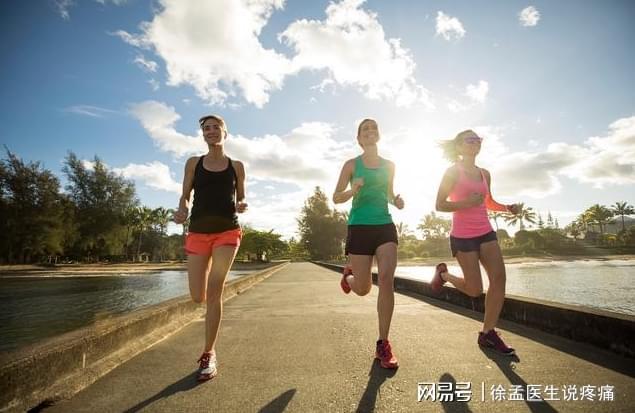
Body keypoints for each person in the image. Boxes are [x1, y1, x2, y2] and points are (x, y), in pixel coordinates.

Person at [431, 129, 520, 355]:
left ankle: (488, 332)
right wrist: (466, 203)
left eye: (478, 140)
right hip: (463, 236)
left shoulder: (484, 174)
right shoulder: (452, 172)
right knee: (474, 290)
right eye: (470, 140)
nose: (475, 143)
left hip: (485, 232)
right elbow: (439, 204)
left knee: (499, 278)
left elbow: (487, 201)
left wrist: (507, 208)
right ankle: (444, 275)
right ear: (459, 146)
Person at [173, 114, 247, 381]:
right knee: (198, 296)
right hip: (198, 232)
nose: (211, 131)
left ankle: (208, 353)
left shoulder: (236, 166)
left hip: (227, 231)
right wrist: (182, 211)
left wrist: (241, 204)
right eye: (207, 128)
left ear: (225, 133)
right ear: (203, 134)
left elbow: (241, 196)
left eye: (216, 127)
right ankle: (206, 297)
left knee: (215, 292)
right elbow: (185, 196)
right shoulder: (194, 163)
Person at [333, 118, 404, 369]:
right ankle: (349, 277)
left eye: (374, 128)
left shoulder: (390, 165)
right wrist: (353, 190)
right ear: (359, 139)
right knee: (363, 289)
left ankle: (383, 343)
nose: (370, 131)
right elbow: (336, 197)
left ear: (378, 135)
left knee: (386, 279)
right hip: (360, 227)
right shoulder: (352, 165)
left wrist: (396, 201)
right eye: (365, 129)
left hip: (384, 225)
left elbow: (388, 193)